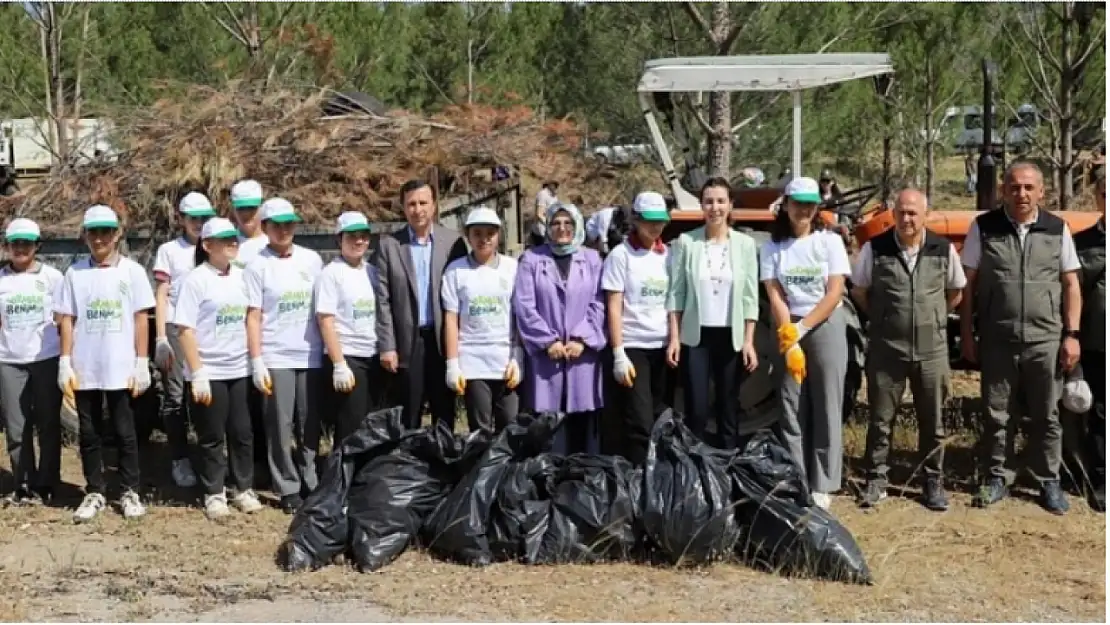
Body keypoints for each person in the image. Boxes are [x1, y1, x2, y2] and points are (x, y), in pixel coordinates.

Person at [960, 161, 1082, 514]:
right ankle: (997, 476)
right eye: (1014, 187)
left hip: (1045, 339)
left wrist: (1071, 335)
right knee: (997, 414)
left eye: (1029, 187)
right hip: (999, 337)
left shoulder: (1057, 229)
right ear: (1003, 191)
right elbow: (968, 285)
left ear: (1042, 191)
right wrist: (967, 333)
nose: (1022, 194)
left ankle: (1048, 480)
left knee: (1047, 415)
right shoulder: (984, 228)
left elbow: (1071, 284)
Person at [851, 189, 966, 511]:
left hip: (932, 351)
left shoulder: (942, 250)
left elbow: (956, 291)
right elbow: (860, 291)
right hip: (888, 349)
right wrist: (884, 317)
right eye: (901, 212)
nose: (907, 219)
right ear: (894, 214)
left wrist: (933, 317)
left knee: (934, 420)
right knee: (880, 418)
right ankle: (876, 479)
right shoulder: (876, 248)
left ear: (925, 214)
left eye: (913, 213)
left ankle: (932, 483)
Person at [55, 205, 156, 522]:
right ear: (85, 235)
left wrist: (142, 361)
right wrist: (65, 360)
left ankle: (129, 490)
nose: (99, 238)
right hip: (86, 367)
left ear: (117, 234)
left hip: (120, 366)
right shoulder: (75, 273)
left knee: (126, 432)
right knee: (90, 432)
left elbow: (141, 319)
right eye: (93, 232)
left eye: (105, 232)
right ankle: (95, 490)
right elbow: (68, 319)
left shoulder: (132, 271)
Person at [760, 177, 851, 511]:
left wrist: (804, 328)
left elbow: (834, 292)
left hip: (825, 323)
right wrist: (790, 335)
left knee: (827, 399)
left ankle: (823, 482)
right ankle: (797, 478)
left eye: (810, 204)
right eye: (798, 203)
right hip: (788, 323)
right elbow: (775, 294)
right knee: (791, 404)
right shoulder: (772, 247)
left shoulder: (829, 243)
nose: (804, 209)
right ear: (786, 204)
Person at [173, 217, 263, 520]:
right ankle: (214, 492)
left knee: (242, 432)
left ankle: (243, 488)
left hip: (238, 369)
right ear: (208, 245)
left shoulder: (242, 276)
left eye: (234, 239)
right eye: (225, 240)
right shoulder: (195, 280)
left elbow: (251, 318)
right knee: (212, 435)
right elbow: (184, 329)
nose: (232, 244)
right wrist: (197, 372)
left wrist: (255, 361)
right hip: (209, 371)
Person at [244, 198, 325, 514]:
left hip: (311, 354)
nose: (283, 230)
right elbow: (253, 315)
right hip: (277, 355)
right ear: (264, 228)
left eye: (289, 224)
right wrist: (257, 360)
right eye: (276, 225)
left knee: (310, 423)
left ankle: (310, 479)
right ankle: (287, 486)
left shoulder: (312, 260)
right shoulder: (257, 266)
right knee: (280, 424)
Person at [667, 178, 759, 450]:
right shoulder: (687, 242)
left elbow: (750, 296)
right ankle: (695, 473)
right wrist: (674, 337)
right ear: (701, 206)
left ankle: (727, 471)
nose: (715, 207)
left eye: (721, 201)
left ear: (730, 205)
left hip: (730, 336)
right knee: (696, 410)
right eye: (709, 201)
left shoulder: (744, 245)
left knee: (728, 409)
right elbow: (677, 293)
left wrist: (749, 340)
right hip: (697, 337)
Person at [375, 179, 468, 430]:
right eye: (411, 204)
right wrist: (387, 345)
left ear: (434, 205)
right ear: (404, 208)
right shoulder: (389, 246)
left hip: (441, 338)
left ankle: (443, 464)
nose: (418, 209)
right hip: (407, 340)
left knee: (445, 410)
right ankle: (410, 464)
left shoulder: (453, 243)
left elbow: (462, 292)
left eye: (423, 202)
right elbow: (382, 299)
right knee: (409, 411)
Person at [514, 203, 606, 453]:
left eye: (568, 223)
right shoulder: (532, 259)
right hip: (547, 357)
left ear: (577, 226)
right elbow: (524, 305)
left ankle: (584, 480)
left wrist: (582, 338)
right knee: (549, 424)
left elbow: (599, 302)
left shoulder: (592, 259)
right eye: (556, 223)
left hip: (582, 355)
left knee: (583, 423)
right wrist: (548, 341)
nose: (562, 228)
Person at [602, 191, 677, 465]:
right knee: (640, 421)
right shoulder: (620, 256)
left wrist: (673, 339)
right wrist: (618, 352)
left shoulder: (667, 255)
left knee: (661, 417)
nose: (655, 227)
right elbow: (614, 305)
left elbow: (672, 302)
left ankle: (659, 476)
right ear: (636, 220)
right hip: (634, 346)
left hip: (662, 346)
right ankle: (637, 478)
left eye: (660, 222)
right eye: (649, 221)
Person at [152, 192, 216, 490]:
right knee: (174, 395)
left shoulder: (216, 247)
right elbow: (163, 293)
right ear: (182, 220)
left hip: (208, 329)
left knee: (206, 394)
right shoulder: (170, 251)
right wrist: (162, 336)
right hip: (178, 330)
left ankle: (210, 455)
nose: (199, 224)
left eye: (204, 218)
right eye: (194, 219)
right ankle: (179, 457)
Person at [0, 218, 64, 505]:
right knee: (17, 427)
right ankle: (23, 483)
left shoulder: (52, 278)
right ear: (7, 247)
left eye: (27, 243)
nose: (21, 249)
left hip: (45, 358)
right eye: (15, 244)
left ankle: (47, 483)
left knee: (49, 423)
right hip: (9, 361)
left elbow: (64, 318)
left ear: (37, 246)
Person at [442, 207, 522, 434]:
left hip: (505, 361)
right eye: (477, 233)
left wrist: (518, 357)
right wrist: (452, 364)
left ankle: (507, 470)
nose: (484, 239)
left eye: (490, 233)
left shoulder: (512, 269)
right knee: (480, 428)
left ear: (499, 235)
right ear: (468, 236)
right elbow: (451, 319)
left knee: (510, 424)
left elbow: (519, 315)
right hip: (473, 362)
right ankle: (482, 469)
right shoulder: (455, 272)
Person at [314, 211, 386, 444]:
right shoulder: (331, 274)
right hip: (349, 357)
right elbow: (326, 320)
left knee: (370, 424)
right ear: (339, 239)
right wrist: (339, 364)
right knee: (350, 425)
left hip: (373, 356)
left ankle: (364, 475)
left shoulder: (372, 272)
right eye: (352, 236)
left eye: (363, 236)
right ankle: (342, 475)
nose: (358, 241)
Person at [228, 178, 270, 487]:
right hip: (236, 332)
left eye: (251, 209)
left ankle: (269, 463)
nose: (247, 216)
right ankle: (246, 464)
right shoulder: (230, 244)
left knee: (268, 403)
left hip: (270, 332)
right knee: (242, 404)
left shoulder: (271, 243)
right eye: (241, 209)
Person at [1070, 165, 1105, 512]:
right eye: (1105, 194)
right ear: (1098, 198)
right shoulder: (1083, 244)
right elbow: (1073, 292)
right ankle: (1100, 480)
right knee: (1100, 413)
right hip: (1098, 341)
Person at [230, 179, 269, 266]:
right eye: (241, 208)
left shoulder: (273, 244)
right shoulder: (224, 245)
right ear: (233, 209)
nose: (246, 214)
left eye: (251, 207)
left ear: (261, 206)